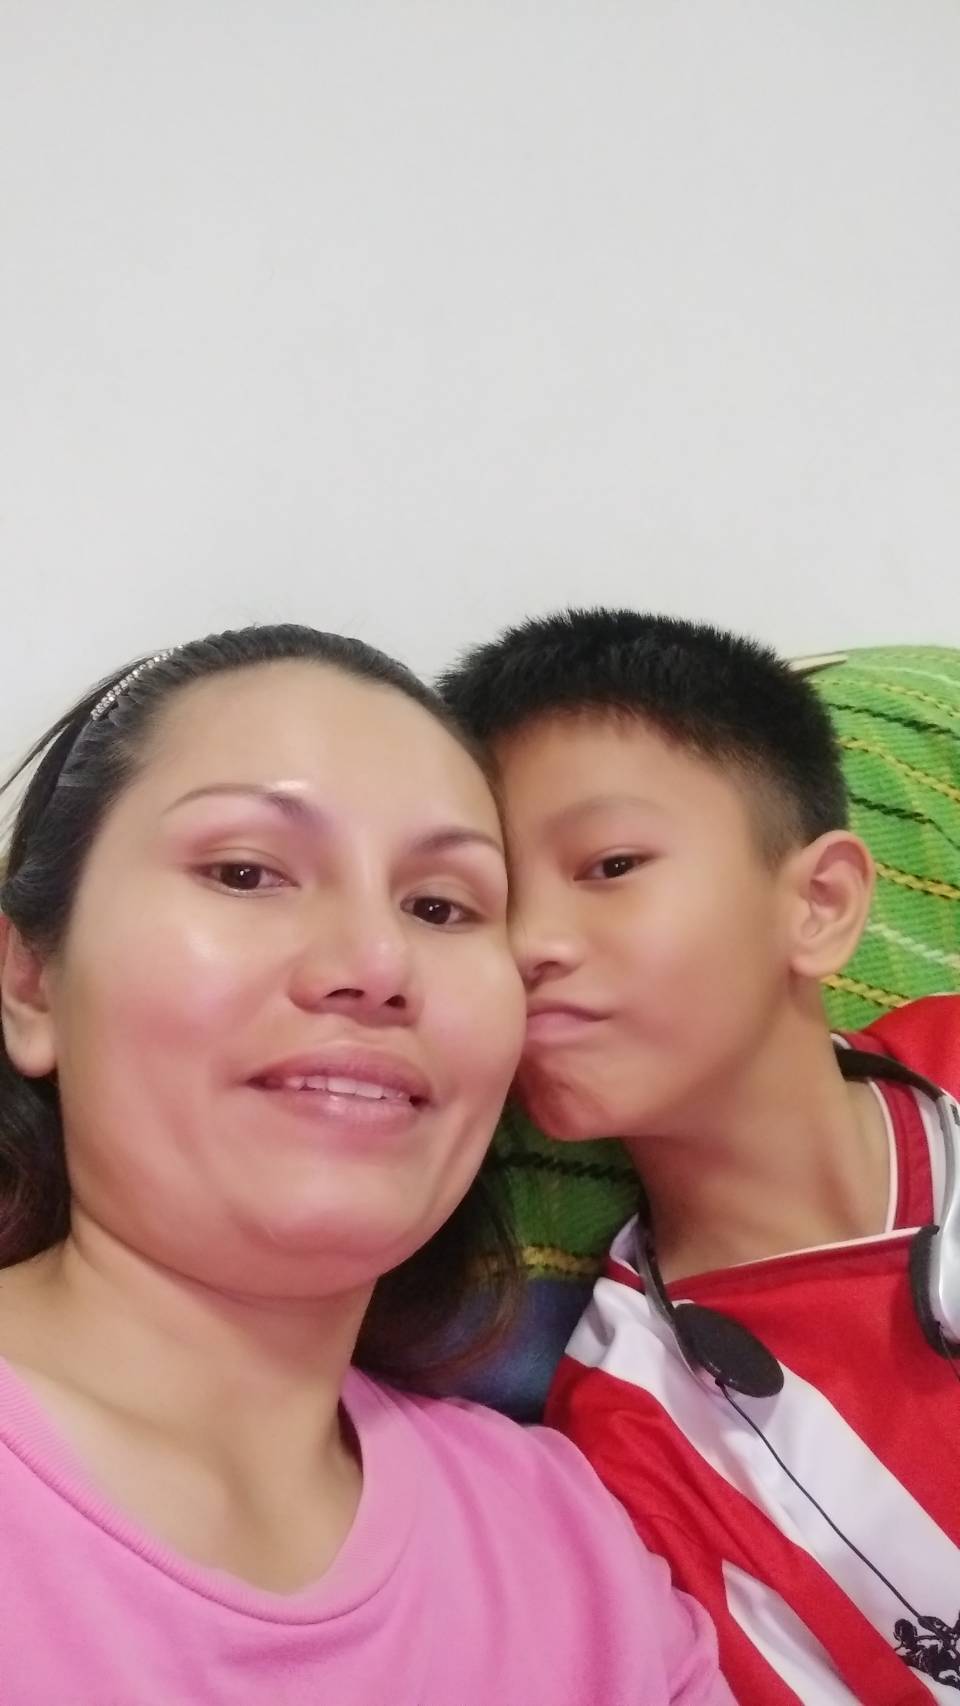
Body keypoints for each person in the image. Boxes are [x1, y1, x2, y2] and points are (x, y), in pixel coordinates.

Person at [0, 622, 729, 1705]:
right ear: (30, 982)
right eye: (246, 872)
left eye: (441, 907)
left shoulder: (575, 1552)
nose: (379, 961)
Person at [442, 608, 960, 1705]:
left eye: (610, 863)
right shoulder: (635, 1433)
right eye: (476, 907)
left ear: (819, 902)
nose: (528, 943)